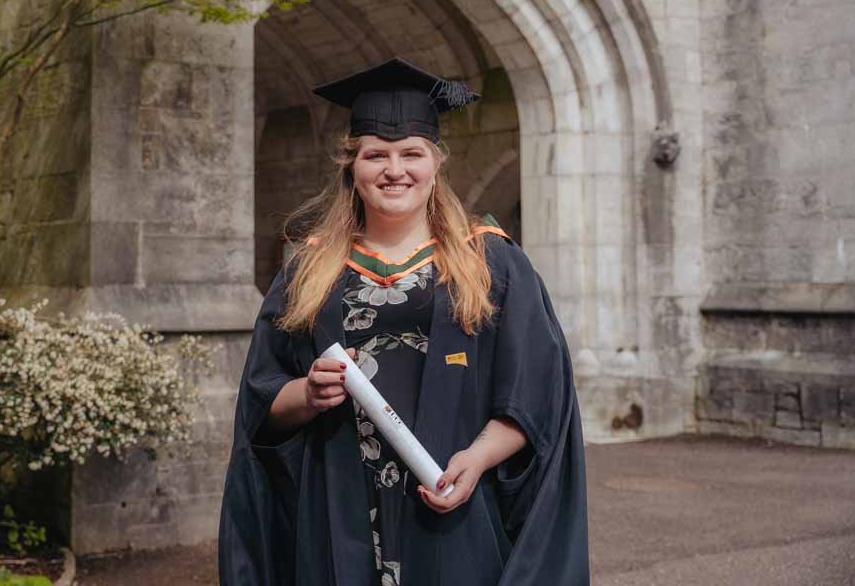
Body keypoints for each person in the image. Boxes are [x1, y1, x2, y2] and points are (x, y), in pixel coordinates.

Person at [218, 58, 589, 585]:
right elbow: (262, 400)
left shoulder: (491, 261)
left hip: (452, 501)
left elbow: (537, 392)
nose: (395, 170)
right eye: (376, 155)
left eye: (411, 153)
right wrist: (306, 392)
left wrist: (479, 459)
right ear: (353, 166)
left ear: (436, 164)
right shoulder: (309, 269)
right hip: (337, 509)